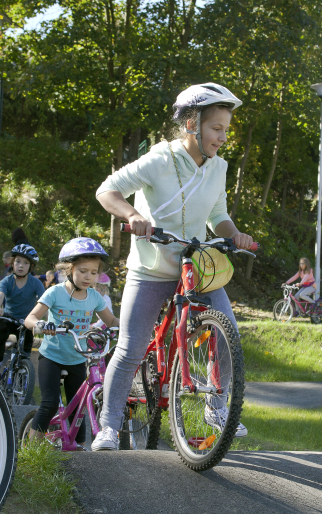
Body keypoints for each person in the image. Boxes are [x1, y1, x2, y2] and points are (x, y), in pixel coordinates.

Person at [92, 82, 254, 450]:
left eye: (226, 129)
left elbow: (217, 215)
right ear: (191, 124)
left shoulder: (219, 168)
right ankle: (108, 426)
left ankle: (216, 406)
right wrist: (132, 214)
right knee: (131, 346)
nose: (223, 137)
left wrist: (235, 233)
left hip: (196, 268)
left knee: (229, 338)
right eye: (217, 128)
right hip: (151, 267)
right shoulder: (160, 159)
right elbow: (107, 189)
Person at [23, 238, 119, 447]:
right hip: (52, 357)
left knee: (79, 408)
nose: (88, 277)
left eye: (94, 273)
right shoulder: (55, 292)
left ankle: (78, 451)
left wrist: (129, 328)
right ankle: (30, 451)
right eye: (83, 270)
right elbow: (29, 318)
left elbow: (111, 321)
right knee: (48, 404)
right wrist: (40, 325)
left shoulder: (94, 297)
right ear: (69, 269)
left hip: (77, 358)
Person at [0, 244, 44, 372]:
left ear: (31, 266)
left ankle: (23, 365)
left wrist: (46, 318)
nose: (21, 266)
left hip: (27, 320)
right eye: (18, 261)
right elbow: (0, 294)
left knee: (27, 343)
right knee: (1, 335)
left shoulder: (36, 283)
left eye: (25, 263)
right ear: (12, 264)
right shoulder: (6, 281)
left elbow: (44, 301)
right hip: (9, 317)